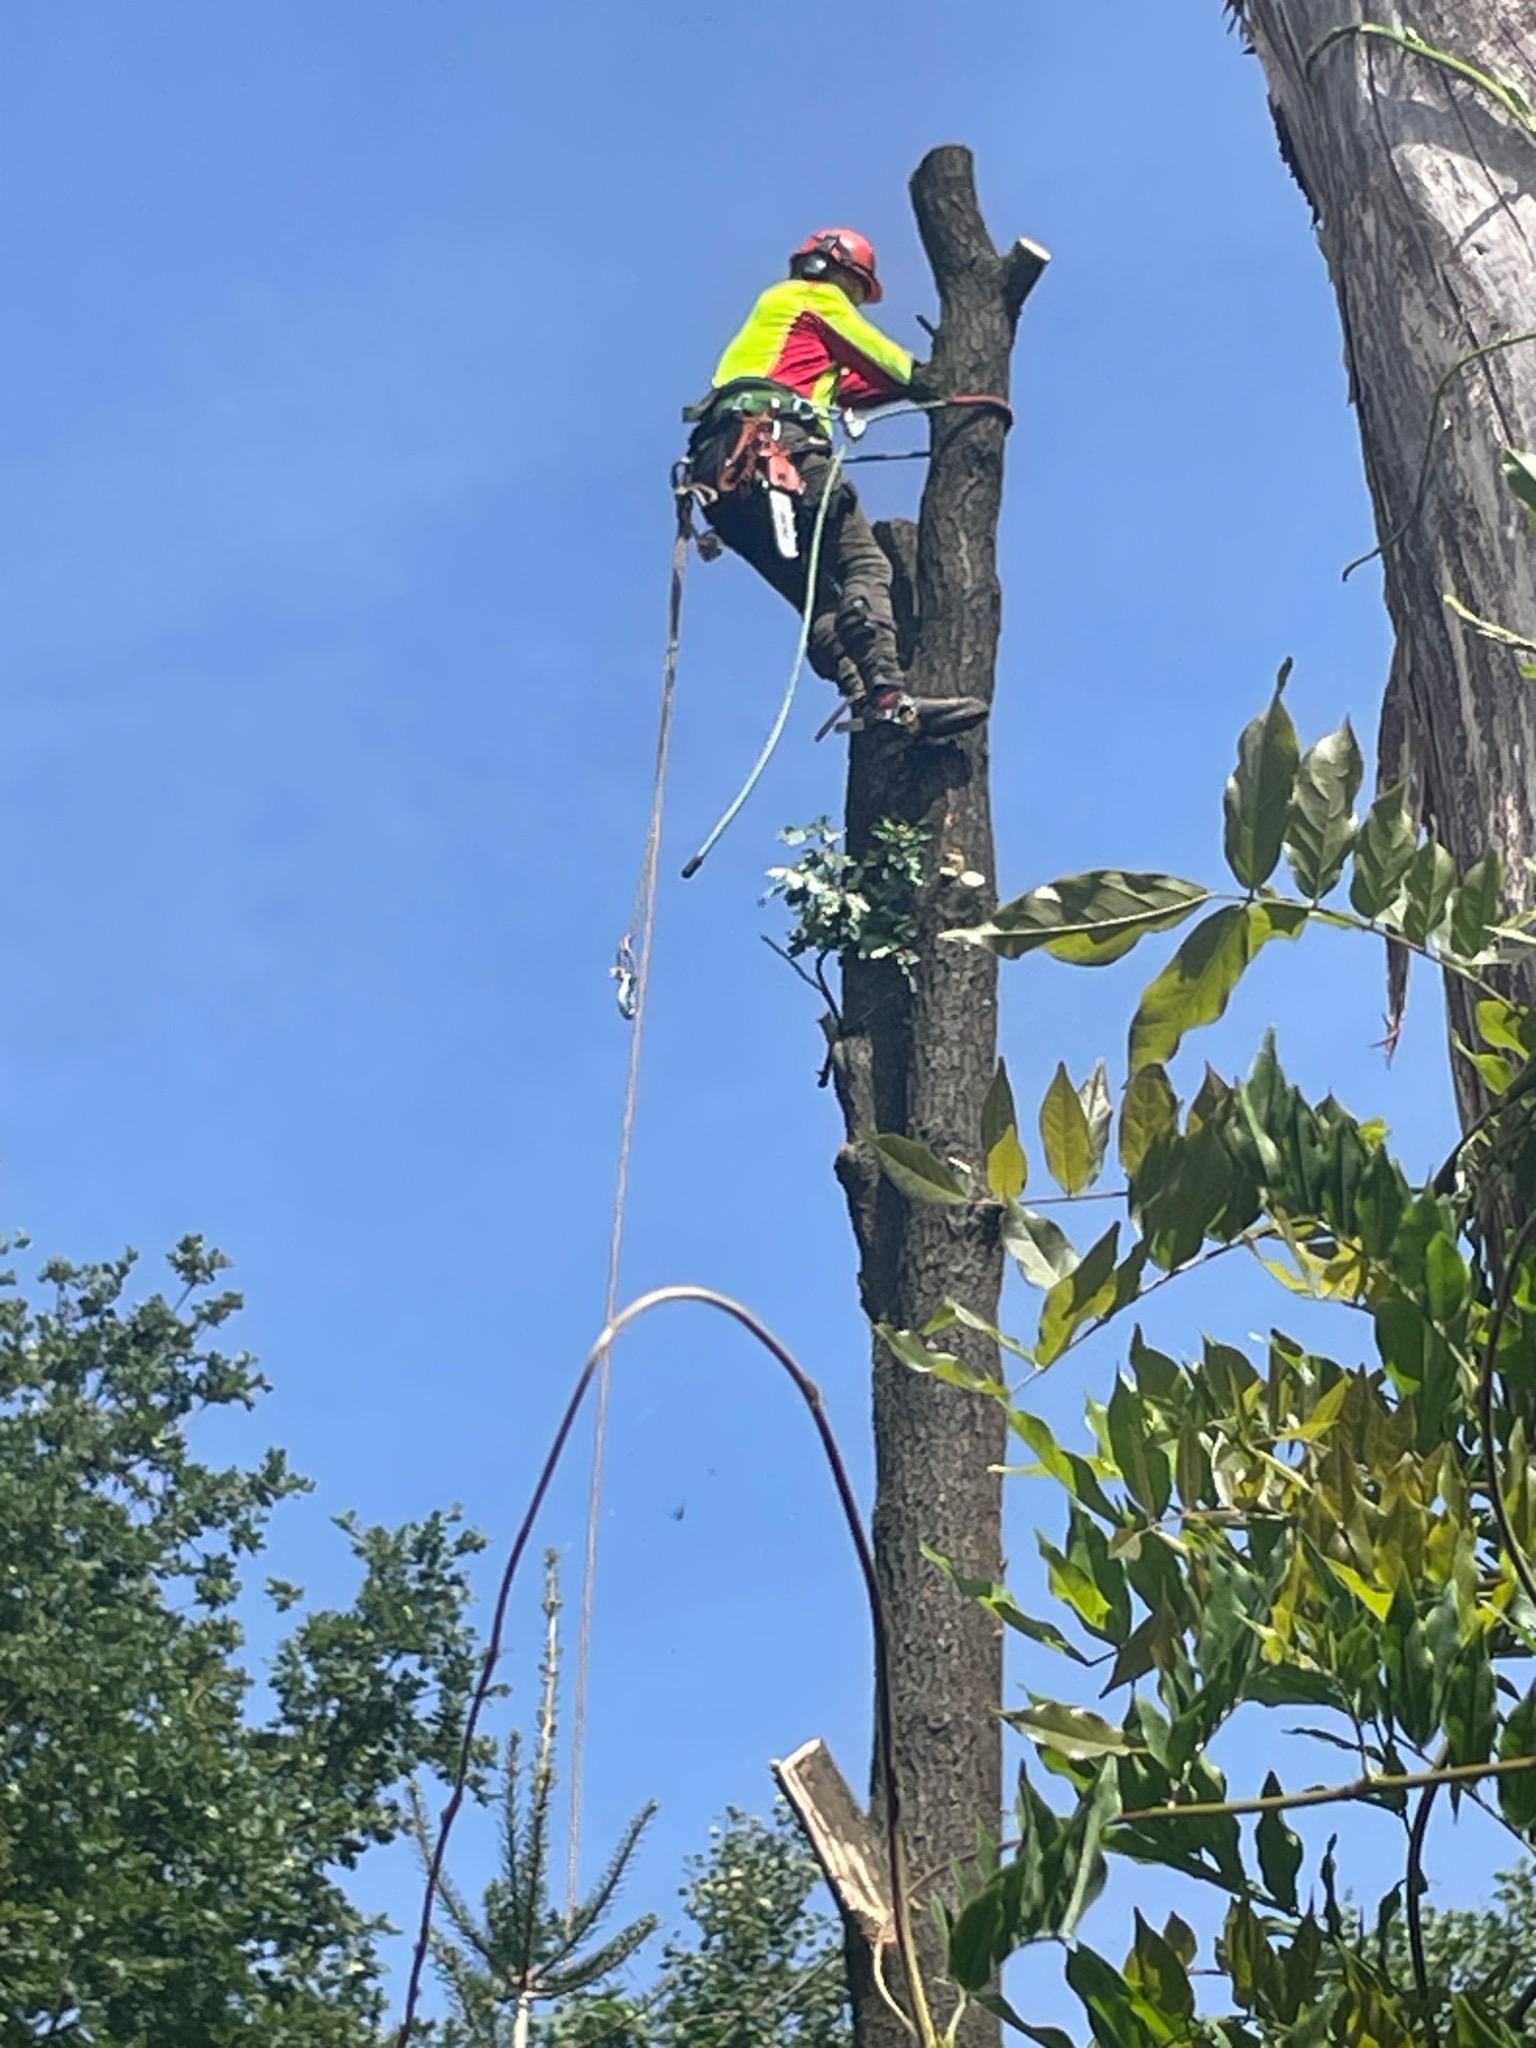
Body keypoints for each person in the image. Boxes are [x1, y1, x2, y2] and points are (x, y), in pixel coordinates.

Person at [685, 228, 988, 739]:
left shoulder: (781, 333)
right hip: (777, 449)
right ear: (834, 268)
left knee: (820, 600)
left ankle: (865, 696)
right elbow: (886, 361)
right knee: (865, 565)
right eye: (855, 286)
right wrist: (941, 382)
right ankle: (890, 694)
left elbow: (857, 385)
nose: (854, 300)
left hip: (721, 478)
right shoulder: (812, 297)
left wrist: (893, 392)